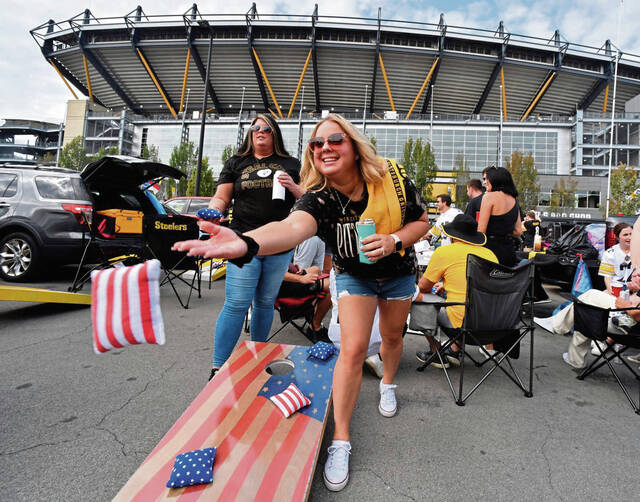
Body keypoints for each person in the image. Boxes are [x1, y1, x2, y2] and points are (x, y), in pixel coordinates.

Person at [172, 113, 429, 492]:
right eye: (316, 143)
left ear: (354, 147)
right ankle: (341, 440)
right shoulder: (319, 198)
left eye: (335, 140)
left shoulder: (391, 177)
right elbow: (292, 228)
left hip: (399, 273)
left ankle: (388, 383)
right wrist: (246, 243)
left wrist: (395, 241)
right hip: (354, 275)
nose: (324, 147)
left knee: (391, 338)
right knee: (352, 349)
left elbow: (422, 221)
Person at [204, 114, 303, 380]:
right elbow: (221, 197)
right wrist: (213, 211)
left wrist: (293, 187)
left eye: (266, 128)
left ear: (275, 134)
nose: (260, 131)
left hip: (278, 242)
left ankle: (259, 356)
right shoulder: (237, 162)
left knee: (265, 303)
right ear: (250, 133)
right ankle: (218, 366)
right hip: (242, 241)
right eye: (255, 127)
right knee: (236, 303)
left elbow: (308, 198)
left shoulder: (290, 163)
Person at [414, 214, 498, 365]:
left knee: (417, 299)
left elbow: (423, 288)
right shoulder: (490, 254)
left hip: (462, 323)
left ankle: (436, 352)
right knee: (463, 301)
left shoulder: (445, 252)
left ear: (452, 236)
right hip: (494, 323)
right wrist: (446, 285)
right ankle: (455, 350)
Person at [554, 269, 640, 369]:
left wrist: (624, 304)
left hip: (628, 328)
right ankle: (574, 356)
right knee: (588, 305)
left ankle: (557, 327)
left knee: (589, 304)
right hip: (627, 320)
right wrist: (632, 292)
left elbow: (635, 313)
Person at [278, 236, 332, 342]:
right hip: (284, 285)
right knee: (332, 286)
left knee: (316, 269)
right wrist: (301, 278)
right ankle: (315, 327)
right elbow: (275, 273)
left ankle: (313, 312)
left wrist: (296, 268)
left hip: (290, 275)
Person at [477, 166, 522, 267]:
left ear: (495, 180)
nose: (485, 182)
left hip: (490, 251)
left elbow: (481, 231)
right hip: (509, 251)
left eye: (487, 179)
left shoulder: (488, 197)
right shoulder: (514, 200)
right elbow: (518, 231)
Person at [599, 222, 633, 295]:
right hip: (616, 287)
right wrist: (610, 291)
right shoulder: (609, 253)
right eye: (625, 235)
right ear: (617, 237)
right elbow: (607, 277)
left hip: (635, 289)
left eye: (631, 234)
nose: (629, 237)